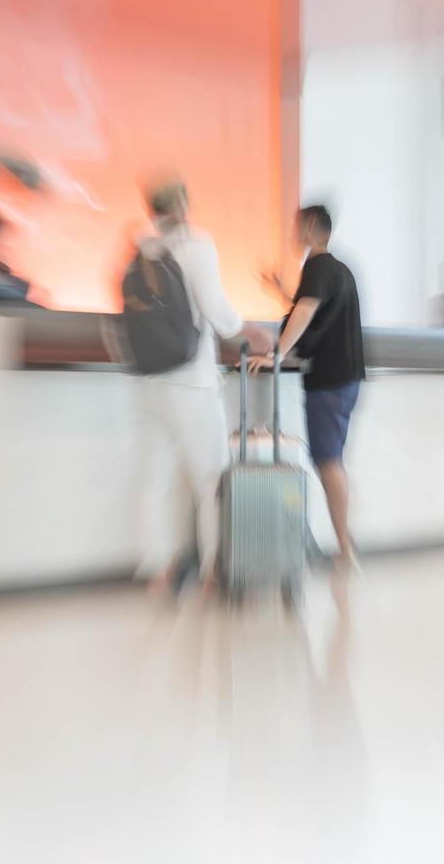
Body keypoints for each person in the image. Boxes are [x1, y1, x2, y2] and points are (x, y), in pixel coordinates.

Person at [132, 181, 272, 595]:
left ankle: (158, 571)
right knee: (209, 479)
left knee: (152, 479)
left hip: (147, 382)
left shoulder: (142, 251)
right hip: (190, 380)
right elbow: (216, 310)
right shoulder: (196, 244)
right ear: (181, 203)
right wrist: (251, 333)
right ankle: (212, 571)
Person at [250, 204, 364, 565]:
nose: (292, 234)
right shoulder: (338, 270)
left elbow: (304, 314)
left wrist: (277, 355)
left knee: (328, 461)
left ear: (312, 226)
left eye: (296, 226)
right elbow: (312, 309)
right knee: (331, 460)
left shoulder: (316, 267)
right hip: (343, 380)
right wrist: (283, 292)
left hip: (329, 381)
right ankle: (345, 547)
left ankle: (345, 549)